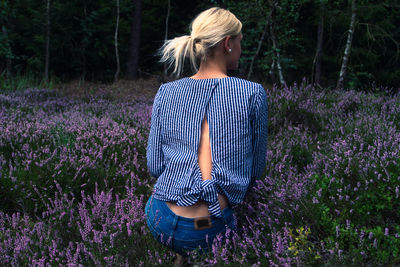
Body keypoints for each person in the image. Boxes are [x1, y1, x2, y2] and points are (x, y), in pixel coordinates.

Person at [145, 6, 268, 265]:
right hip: (208, 226)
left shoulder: (166, 92)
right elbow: (256, 169)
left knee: (183, 232)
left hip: (161, 218)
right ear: (228, 44)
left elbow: (154, 166)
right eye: (240, 42)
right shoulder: (252, 93)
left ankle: (182, 252)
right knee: (213, 227)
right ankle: (193, 249)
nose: (241, 49)